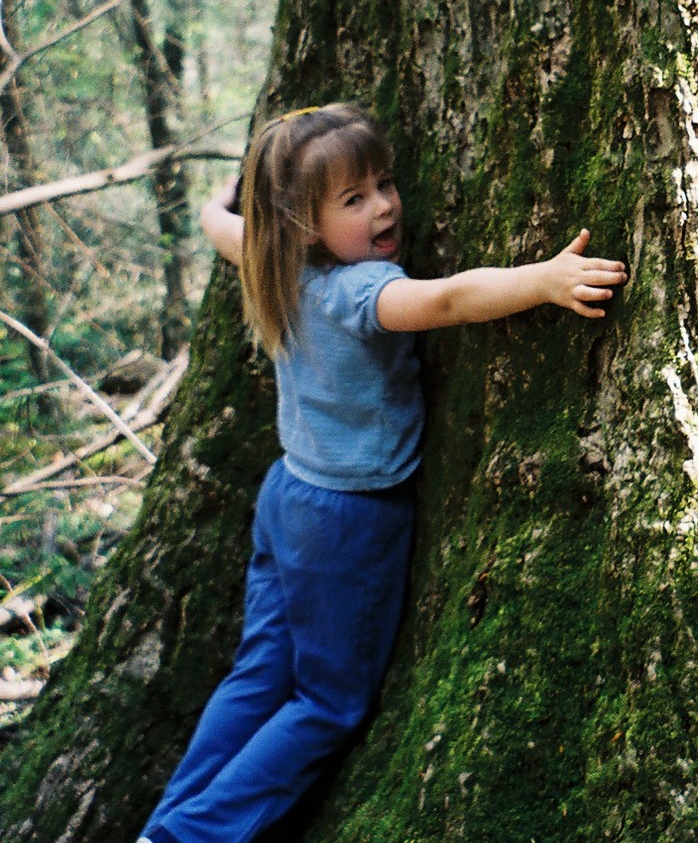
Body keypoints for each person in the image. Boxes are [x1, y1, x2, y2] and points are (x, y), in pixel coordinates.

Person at [138, 102, 627, 843]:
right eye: (353, 198)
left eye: (384, 183)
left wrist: (216, 203)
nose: (384, 205)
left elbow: (224, 228)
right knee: (326, 702)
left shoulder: (274, 262)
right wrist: (545, 279)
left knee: (259, 673)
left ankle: (165, 825)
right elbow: (452, 297)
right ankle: (191, 837)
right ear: (302, 224)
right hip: (346, 521)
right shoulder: (359, 294)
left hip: (287, 496)